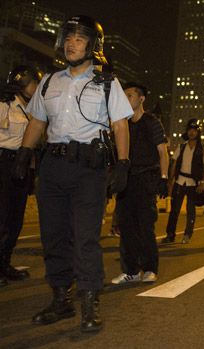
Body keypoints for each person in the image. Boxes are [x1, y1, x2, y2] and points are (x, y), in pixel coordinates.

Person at [12, 15, 132, 332]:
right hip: (52, 166)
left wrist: (123, 163)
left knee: (85, 238)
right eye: (68, 38)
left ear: (93, 45)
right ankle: (60, 300)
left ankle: (90, 304)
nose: (71, 43)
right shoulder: (51, 81)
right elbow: (37, 121)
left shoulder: (107, 82)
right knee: (53, 236)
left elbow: (120, 124)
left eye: (79, 39)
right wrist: (24, 154)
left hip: (88, 169)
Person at [111, 82, 168, 285]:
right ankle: (131, 271)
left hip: (146, 179)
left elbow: (162, 151)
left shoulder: (151, 121)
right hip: (127, 179)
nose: (126, 99)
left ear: (141, 99)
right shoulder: (121, 124)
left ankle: (150, 268)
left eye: (130, 95)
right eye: (124, 95)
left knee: (145, 226)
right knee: (125, 226)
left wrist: (163, 178)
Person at [0, 65, 42, 287]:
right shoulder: (4, 104)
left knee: (15, 219)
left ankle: (5, 262)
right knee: (2, 217)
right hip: (4, 163)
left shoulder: (33, 109)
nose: (36, 87)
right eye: (32, 83)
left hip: (23, 164)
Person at [161, 118, 204, 244]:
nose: (191, 133)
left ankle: (187, 234)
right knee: (175, 210)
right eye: (190, 130)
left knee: (191, 210)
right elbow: (174, 163)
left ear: (198, 132)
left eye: (194, 130)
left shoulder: (203, 148)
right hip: (180, 181)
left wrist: (202, 182)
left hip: (193, 183)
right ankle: (170, 234)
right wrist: (170, 180)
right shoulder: (181, 146)